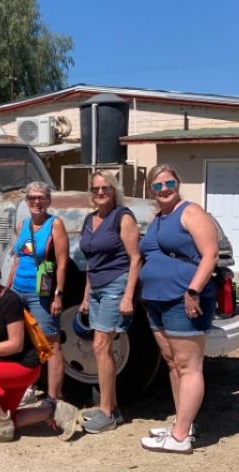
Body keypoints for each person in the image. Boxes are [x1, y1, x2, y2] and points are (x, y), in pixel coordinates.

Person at [139, 165, 218, 454]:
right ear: (151, 190)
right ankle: (182, 422)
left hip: (184, 298)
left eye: (169, 183)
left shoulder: (191, 211)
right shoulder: (157, 218)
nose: (164, 189)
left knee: (189, 365)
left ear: (178, 182)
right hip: (157, 300)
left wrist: (193, 291)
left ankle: (180, 436)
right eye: (157, 186)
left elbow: (210, 254)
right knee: (173, 363)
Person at [0, 255, 80, 442]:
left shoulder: (10, 301)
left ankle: (1, 425)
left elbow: (16, 345)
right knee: (7, 417)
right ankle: (53, 410)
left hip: (24, 367)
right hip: (5, 364)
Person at [78, 171, 141, 433]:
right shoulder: (89, 219)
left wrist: (128, 296)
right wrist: (85, 295)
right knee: (100, 347)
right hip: (96, 288)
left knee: (101, 346)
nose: (100, 193)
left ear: (114, 191)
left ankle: (107, 413)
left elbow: (135, 258)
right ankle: (111, 408)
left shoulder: (122, 217)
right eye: (95, 189)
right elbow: (91, 262)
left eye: (105, 188)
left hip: (116, 285)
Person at [6, 181, 69, 402]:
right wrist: (8, 288)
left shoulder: (55, 225)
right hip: (18, 290)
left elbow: (62, 263)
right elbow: (17, 259)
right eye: (32, 198)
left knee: (50, 343)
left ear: (48, 200)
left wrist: (58, 295)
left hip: (40, 294)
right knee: (23, 341)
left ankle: (53, 397)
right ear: (26, 201)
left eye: (41, 197)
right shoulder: (23, 224)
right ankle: (28, 388)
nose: (36, 202)